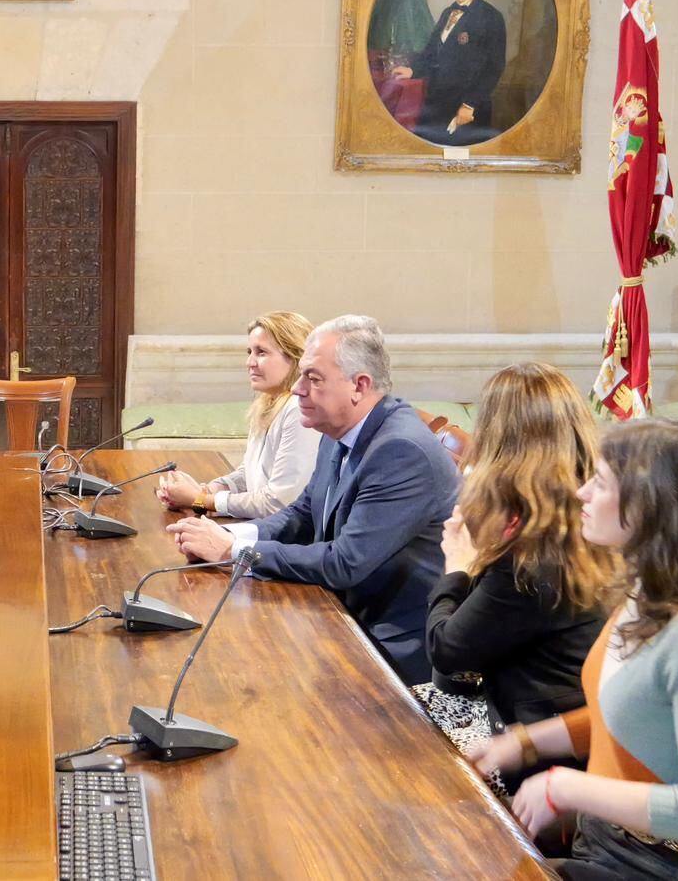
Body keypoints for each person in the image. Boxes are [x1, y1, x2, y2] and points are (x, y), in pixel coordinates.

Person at [471, 419, 678, 879]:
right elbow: (633, 715)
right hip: (610, 839)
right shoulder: (650, 591)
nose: (581, 494)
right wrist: (524, 743)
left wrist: (565, 787)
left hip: (660, 864)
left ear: (653, 507)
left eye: (602, 482)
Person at [168, 315, 458, 685]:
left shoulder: (400, 450)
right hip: (339, 611)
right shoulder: (340, 428)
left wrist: (231, 552)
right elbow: (302, 514)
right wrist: (232, 537)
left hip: (392, 647)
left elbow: (345, 562)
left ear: (359, 386)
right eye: (302, 375)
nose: (297, 389)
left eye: (313, 378)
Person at [420, 363, 613, 789]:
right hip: (576, 737)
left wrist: (458, 565)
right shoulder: (584, 517)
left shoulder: (537, 548)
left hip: (550, 758)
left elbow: (449, 653)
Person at [156, 311, 321, 519]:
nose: (250, 362)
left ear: (295, 357)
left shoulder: (299, 409)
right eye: (249, 352)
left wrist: (199, 501)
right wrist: (207, 490)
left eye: (261, 352)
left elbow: (278, 503)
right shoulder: (266, 403)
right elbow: (249, 475)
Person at [390, 0, 507, 145]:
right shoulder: (448, 13)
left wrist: (469, 105)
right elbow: (432, 51)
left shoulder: (492, 17)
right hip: (437, 102)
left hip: (466, 107)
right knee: (428, 153)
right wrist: (413, 70)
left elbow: (493, 67)